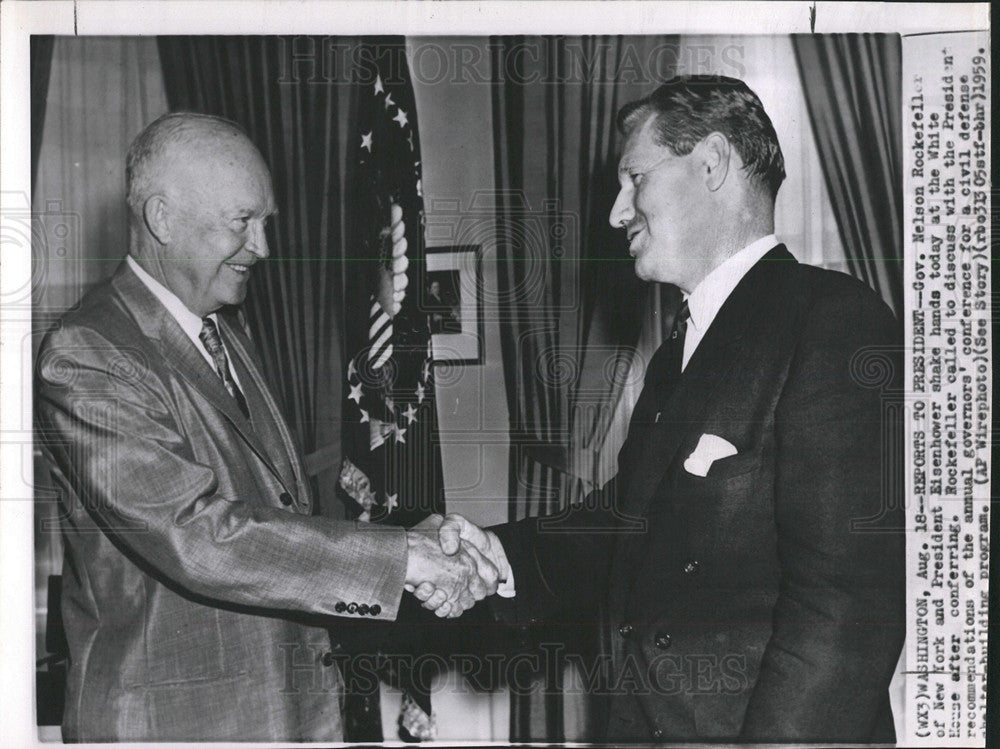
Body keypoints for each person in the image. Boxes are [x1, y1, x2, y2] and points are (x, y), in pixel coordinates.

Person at [427, 76, 905, 743]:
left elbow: (847, 613)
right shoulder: (679, 352)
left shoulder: (834, 324)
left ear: (710, 163)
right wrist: (501, 554)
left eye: (635, 179)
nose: (618, 211)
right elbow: (629, 523)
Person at [34, 112, 498, 742]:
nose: (263, 248)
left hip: (288, 709)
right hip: (179, 725)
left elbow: (272, 512)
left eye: (265, 223)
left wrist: (403, 537)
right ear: (162, 219)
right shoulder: (88, 353)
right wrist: (401, 560)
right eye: (241, 223)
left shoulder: (225, 329)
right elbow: (196, 534)